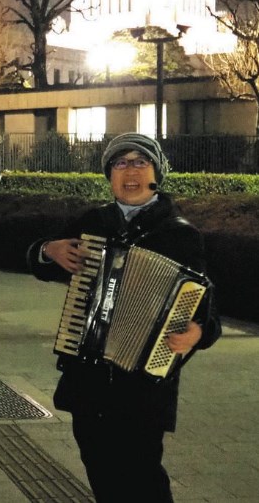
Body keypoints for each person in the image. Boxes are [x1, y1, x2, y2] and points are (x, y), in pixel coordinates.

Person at [26, 133, 221, 503]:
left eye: (139, 162)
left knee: (144, 479)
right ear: (108, 174)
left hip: (143, 389)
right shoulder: (93, 223)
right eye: (120, 163)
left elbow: (207, 315)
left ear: (156, 173)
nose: (129, 171)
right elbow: (42, 265)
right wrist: (46, 250)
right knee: (101, 474)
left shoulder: (180, 236)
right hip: (89, 379)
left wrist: (197, 334)